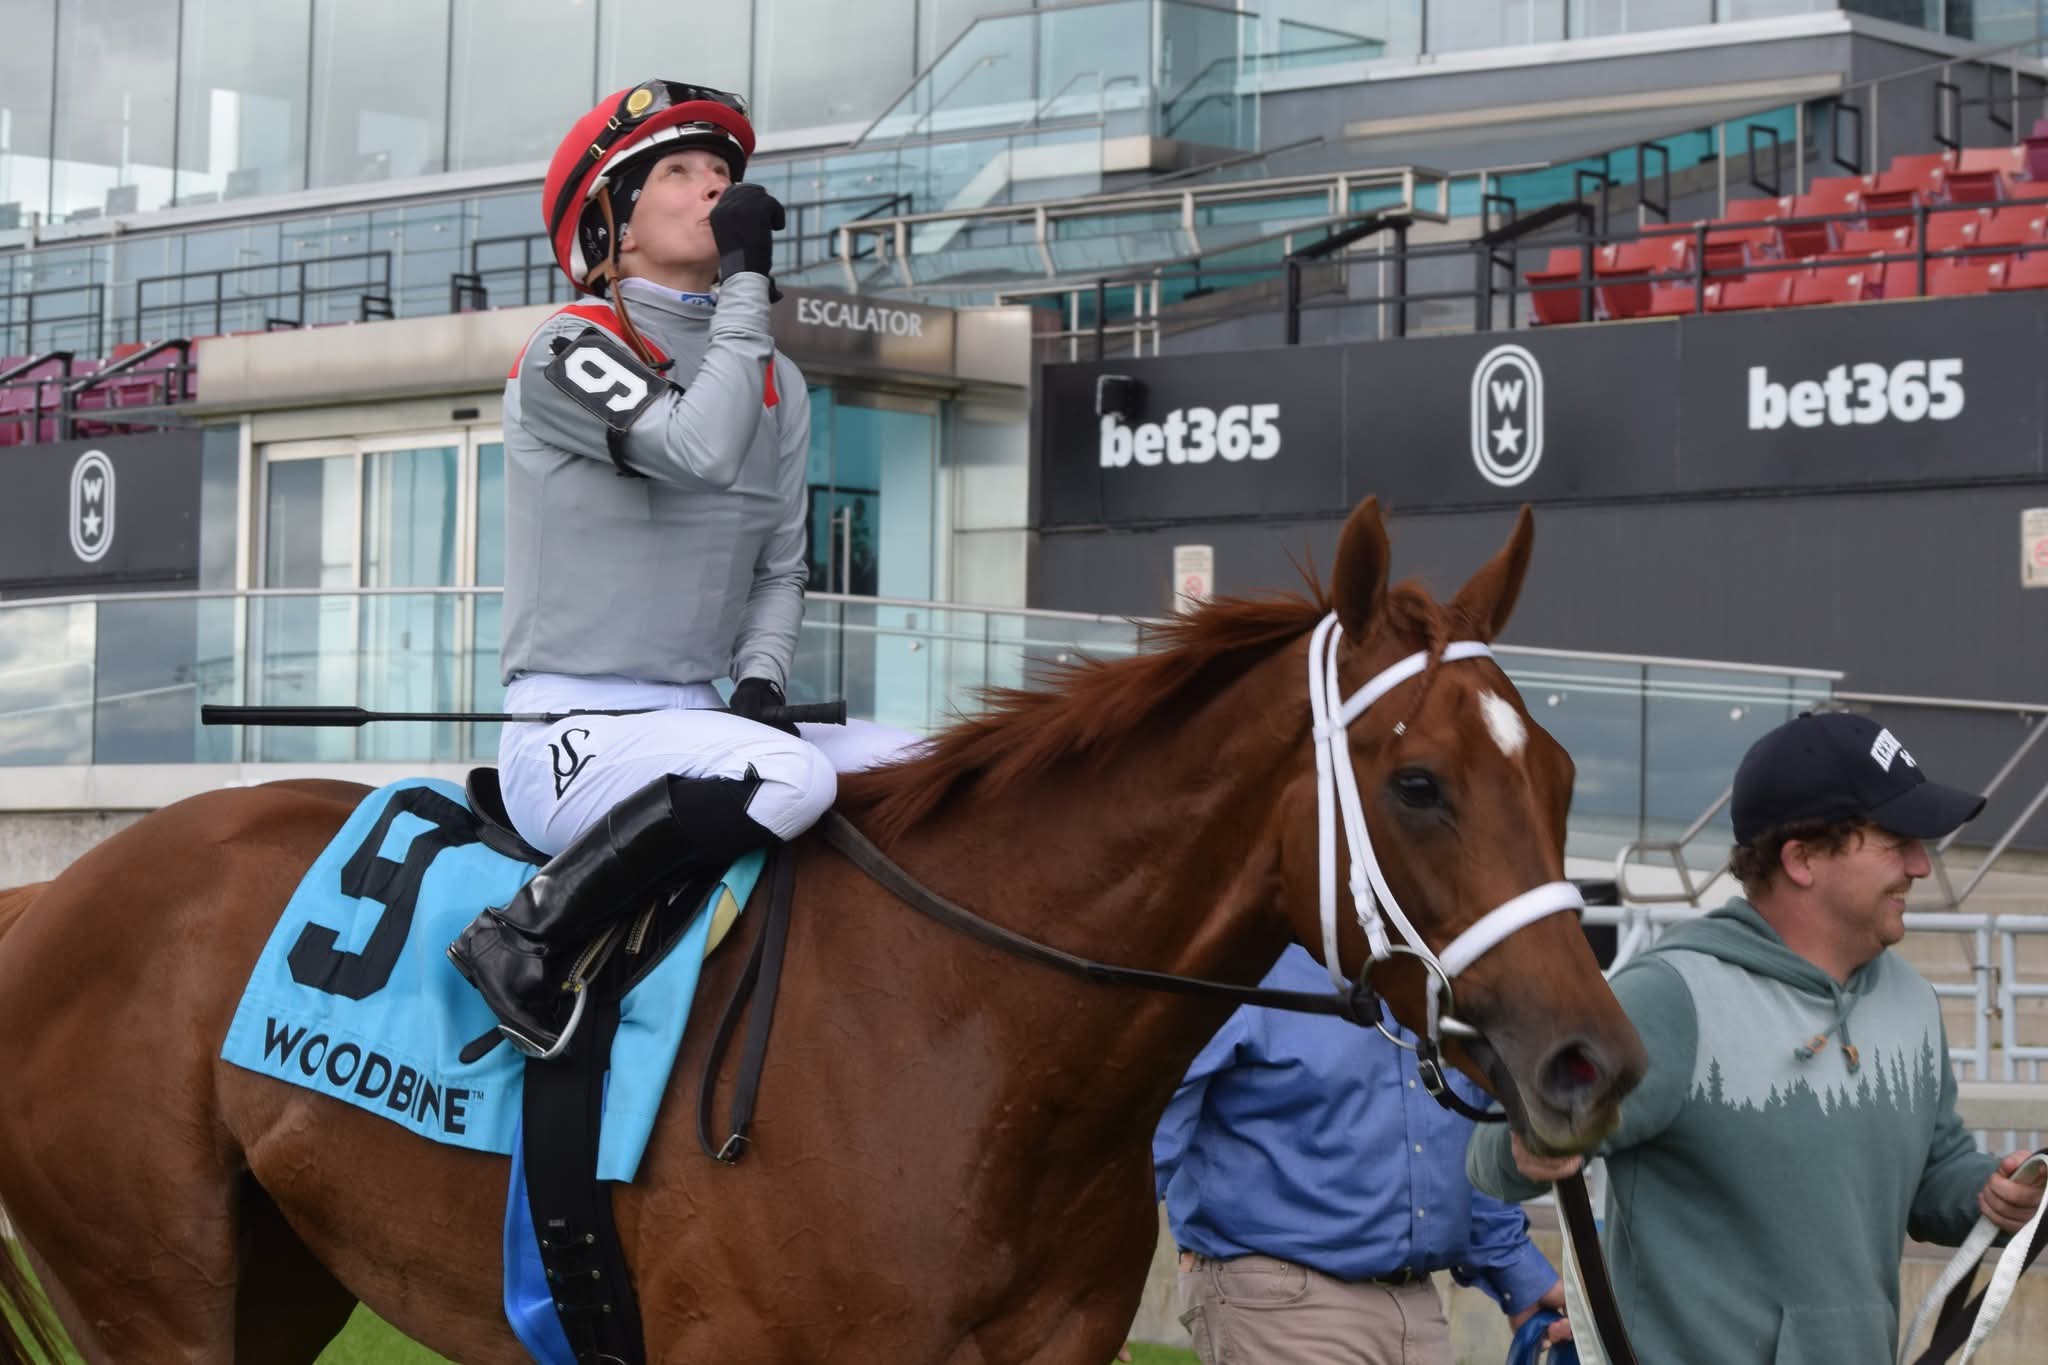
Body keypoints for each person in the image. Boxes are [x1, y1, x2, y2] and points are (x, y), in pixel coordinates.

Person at [447, 79, 912, 1057]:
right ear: (611, 218)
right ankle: (522, 934)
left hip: (702, 722)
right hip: (568, 733)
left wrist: (759, 680)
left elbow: (780, 568)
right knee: (793, 778)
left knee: (931, 764)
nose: (714, 187)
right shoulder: (570, 345)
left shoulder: (780, 381)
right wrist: (745, 284)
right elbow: (698, 448)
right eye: (679, 171)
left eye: (723, 173)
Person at [1468, 710, 2047, 1365]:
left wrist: (1991, 1194)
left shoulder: (1913, 1002)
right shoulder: (1670, 998)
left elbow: (1934, 1177)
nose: (1920, 864)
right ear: (1802, 858)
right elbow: (1494, 1150)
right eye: (1896, 840)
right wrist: (1530, 1143)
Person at [1154, 943, 1570, 1364]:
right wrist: (1107, 1274)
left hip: (1416, 1305)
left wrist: (1522, 1279)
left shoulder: (1442, 977)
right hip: (1276, 1293)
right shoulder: (1242, 965)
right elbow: (1147, 1128)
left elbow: (1456, 1148)